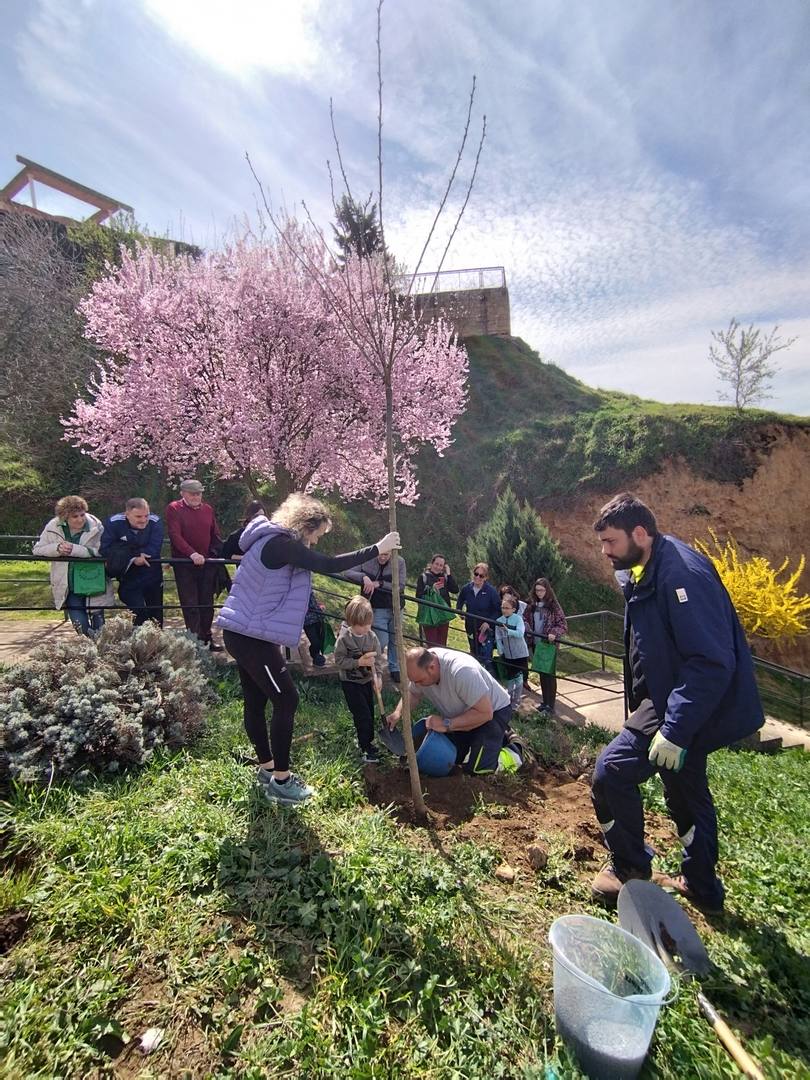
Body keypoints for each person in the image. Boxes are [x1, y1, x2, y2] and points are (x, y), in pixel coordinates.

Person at [589, 493, 764, 912]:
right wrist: (631, 590)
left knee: (610, 774)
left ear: (640, 534)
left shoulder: (681, 573)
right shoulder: (652, 566)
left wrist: (675, 728)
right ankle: (702, 885)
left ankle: (630, 867)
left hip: (680, 705)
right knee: (685, 789)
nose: (604, 551)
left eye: (611, 542)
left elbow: (710, 661)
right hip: (676, 701)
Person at [216, 492, 399, 804]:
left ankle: (267, 768)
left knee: (257, 700)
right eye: (316, 535)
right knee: (287, 698)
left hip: (244, 632)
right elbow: (328, 564)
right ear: (304, 525)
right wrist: (377, 549)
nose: (314, 542)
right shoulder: (282, 544)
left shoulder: (271, 541)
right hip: (249, 637)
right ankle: (281, 781)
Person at [386, 647, 521, 774]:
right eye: (414, 681)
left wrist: (446, 724)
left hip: (492, 713)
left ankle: (516, 750)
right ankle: (494, 738)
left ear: (432, 668)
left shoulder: (462, 672)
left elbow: (485, 713)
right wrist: (398, 713)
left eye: (420, 681)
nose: (417, 685)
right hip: (462, 715)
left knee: (479, 769)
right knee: (453, 757)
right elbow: (413, 693)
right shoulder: (422, 666)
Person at [33, 495, 115, 636]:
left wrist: (75, 550)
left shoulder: (96, 525)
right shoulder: (53, 526)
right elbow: (38, 549)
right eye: (74, 516)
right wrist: (57, 548)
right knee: (80, 625)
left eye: (82, 514)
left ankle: (100, 651)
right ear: (65, 517)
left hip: (94, 580)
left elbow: (104, 551)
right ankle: (91, 650)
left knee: (99, 622)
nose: (80, 519)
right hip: (68, 583)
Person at [166, 480, 223, 649]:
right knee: (190, 604)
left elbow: (215, 534)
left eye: (199, 493)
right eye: (192, 493)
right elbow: (175, 535)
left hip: (206, 563)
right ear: (183, 493)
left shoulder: (207, 509)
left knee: (207, 603)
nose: (196, 496)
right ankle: (195, 641)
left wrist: (216, 553)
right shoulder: (174, 509)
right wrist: (191, 553)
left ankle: (207, 638)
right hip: (185, 564)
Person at [333, 595, 384, 763]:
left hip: (366, 682)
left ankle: (366, 740)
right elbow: (339, 661)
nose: (365, 629)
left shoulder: (372, 638)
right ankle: (366, 747)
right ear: (351, 623)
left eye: (367, 624)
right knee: (362, 715)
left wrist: (379, 677)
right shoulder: (344, 639)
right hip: (350, 683)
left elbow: (377, 660)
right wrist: (358, 662)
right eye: (360, 626)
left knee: (369, 712)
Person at [343, 549, 407, 684]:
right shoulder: (367, 559)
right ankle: (372, 666)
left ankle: (394, 668)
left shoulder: (399, 562)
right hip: (377, 607)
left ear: (392, 554)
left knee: (395, 639)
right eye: (381, 554)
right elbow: (348, 571)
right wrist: (364, 577)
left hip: (396, 607)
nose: (382, 557)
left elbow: (400, 585)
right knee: (381, 640)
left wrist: (380, 584)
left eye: (386, 555)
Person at [101, 498, 164, 626]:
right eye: (138, 516)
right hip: (127, 575)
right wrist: (133, 558)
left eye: (146, 515)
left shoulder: (155, 522)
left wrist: (124, 549)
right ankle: (138, 643)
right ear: (127, 514)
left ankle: (158, 644)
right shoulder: (113, 523)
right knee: (138, 613)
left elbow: (154, 548)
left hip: (152, 573)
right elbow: (106, 549)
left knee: (156, 615)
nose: (143, 519)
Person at [523, 578, 568, 716]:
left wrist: (554, 633)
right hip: (536, 643)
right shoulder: (532, 604)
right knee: (542, 673)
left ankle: (551, 705)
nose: (539, 593)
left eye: (542, 590)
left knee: (549, 674)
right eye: (537, 590)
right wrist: (527, 627)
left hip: (548, 645)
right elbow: (524, 618)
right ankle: (544, 702)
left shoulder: (553, 605)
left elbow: (563, 624)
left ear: (547, 590)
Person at [456, 562, 501, 671]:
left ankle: (488, 678)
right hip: (470, 625)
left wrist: (488, 622)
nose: (478, 577)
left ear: (486, 577)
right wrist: (460, 611)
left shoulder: (491, 592)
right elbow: (460, 600)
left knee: (486, 655)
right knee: (473, 651)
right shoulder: (467, 588)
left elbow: (498, 610)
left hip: (485, 629)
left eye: (481, 576)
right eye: (476, 574)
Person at [495, 593, 530, 710]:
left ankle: (516, 702)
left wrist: (508, 630)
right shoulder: (499, 620)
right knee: (510, 677)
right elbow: (498, 637)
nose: (504, 610)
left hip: (520, 653)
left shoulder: (518, 619)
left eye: (507, 608)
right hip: (508, 654)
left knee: (518, 677)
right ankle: (508, 699)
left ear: (513, 609)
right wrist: (500, 649)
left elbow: (520, 633)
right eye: (502, 608)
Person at [415, 554, 459, 647]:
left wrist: (449, 574)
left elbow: (455, 590)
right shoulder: (423, 577)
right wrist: (432, 589)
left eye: (441, 565)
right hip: (429, 614)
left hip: (444, 615)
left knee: (442, 645)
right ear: (431, 564)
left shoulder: (445, 577)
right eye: (436, 564)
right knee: (432, 644)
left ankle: (440, 661)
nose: (438, 567)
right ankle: (432, 661)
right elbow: (418, 596)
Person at [303, 590, 328, 666]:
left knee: (320, 639)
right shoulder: (301, 589)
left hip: (317, 617)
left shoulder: (308, 587)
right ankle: (316, 658)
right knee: (315, 642)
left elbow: (313, 602)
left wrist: (320, 608)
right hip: (308, 621)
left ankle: (317, 657)